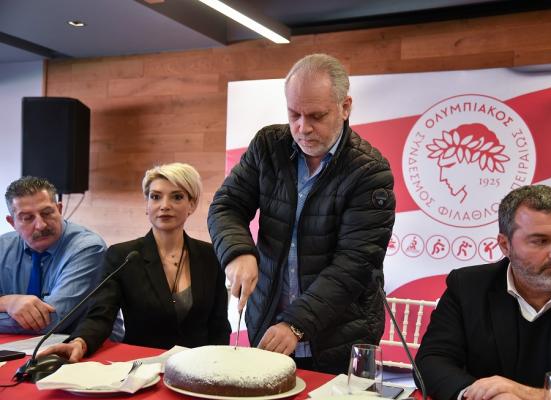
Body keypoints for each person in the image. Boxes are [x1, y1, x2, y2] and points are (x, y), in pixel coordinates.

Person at [208, 53, 395, 374]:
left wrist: (296, 324)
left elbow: (354, 265)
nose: (302, 128)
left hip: (339, 337)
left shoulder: (369, 171)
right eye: (294, 114)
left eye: (317, 116)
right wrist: (238, 252)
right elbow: (226, 205)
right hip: (268, 324)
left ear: (345, 107)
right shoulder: (269, 146)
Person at [415, 184, 551, 400]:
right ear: (505, 245)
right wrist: (485, 396)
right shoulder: (468, 286)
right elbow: (432, 361)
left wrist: (529, 394)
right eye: (540, 241)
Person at [39, 163, 231, 361]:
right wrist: (80, 342)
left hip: (197, 366)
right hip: (142, 366)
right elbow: (101, 315)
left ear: (192, 204)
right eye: (155, 197)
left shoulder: (210, 255)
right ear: (147, 205)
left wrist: (218, 365)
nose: (165, 205)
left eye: (177, 197)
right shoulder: (123, 256)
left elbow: (219, 325)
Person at [0, 176, 106, 334]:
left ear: (59, 209)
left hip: (81, 345)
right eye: (28, 218)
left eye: (47, 213)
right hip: (19, 345)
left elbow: (50, 321)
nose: (41, 225)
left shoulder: (88, 248)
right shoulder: (3, 247)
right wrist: (6, 302)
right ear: (12, 222)